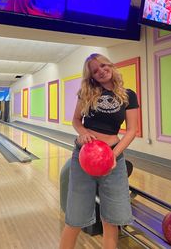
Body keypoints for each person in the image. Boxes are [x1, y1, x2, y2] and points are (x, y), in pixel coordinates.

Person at [59, 53, 139, 249]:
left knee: (112, 220)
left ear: (110, 66)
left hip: (114, 158)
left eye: (103, 66)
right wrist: (83, 133)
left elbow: (132, 130)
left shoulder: (129, 95)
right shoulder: (87, 93)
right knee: (75, 218)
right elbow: (76, 120)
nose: (101, 71)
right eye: (95, 70)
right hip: (85, 156)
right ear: (92, 76)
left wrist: (114, 154)